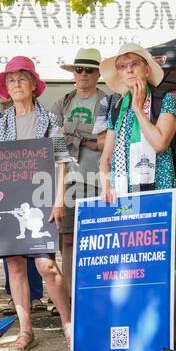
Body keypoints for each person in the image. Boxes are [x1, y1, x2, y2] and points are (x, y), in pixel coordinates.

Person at [0, 56, 71, 351]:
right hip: (7, 202)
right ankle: (26, 330)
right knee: (14, 267)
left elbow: (62, 160)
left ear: (33, 85)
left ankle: (67, 324)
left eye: (21, 79)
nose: (16, 84)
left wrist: (59, 198)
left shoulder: (49, 120)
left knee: (47, 266)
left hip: (40, 201)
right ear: (6, 87)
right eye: (11, 80)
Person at [99, 43, 176, 351]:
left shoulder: (166, 99)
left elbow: (161, 142)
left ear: (147, 69)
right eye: (121, 66)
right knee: (131, 262)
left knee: (162, 264)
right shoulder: (115, 105)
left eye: (133, 64)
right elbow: (105, 157)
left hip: (157, 191)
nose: (128, 70)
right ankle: (141, 337)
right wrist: (105, 181)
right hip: (125, 195)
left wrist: (139, 108)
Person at [51, 48, 106, 298]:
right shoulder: (63, 101)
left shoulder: (107, 101)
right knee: (68, 241)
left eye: (88, 70)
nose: (82, 74)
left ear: (98, 73)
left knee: (97, 241)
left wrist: (73, 137)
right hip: (66, 180)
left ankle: (94, 292)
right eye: (78, 69)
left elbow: (106, 143)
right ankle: (73, 297)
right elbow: (52, 140)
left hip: (97, 179)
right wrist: (88, 139)